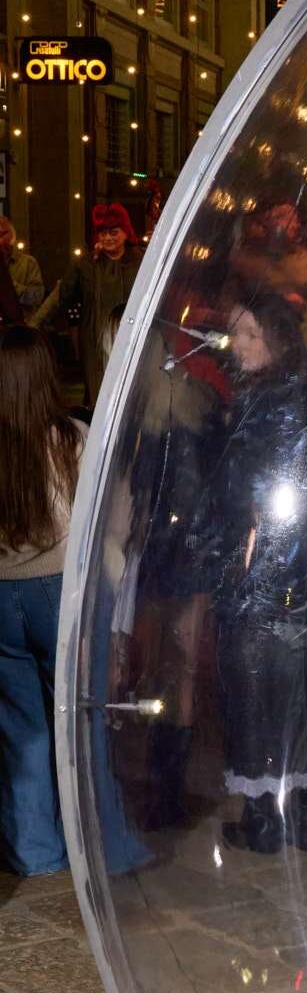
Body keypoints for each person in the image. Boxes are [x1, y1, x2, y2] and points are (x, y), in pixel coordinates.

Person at [214, 292, 307, 853]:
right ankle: (295, 814)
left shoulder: (276, 403)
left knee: (263, 692)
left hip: (269, 569)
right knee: (286, 692)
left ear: (277, 341)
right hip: (282, 565)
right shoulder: (286, 397)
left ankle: (272, 817)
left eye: (249, 336)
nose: (237, 346)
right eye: (235, 334)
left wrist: (253, 561)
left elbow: (270, 491)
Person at [0, 325, 87, 875]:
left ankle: (34, 849)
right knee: (71, 722)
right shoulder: (72, 439)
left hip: (1, 596)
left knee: (20, 729)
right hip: (60, 593)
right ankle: (87, 845)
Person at [32, 203, 142, 408]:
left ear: (126, 233)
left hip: (134, 340)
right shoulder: (86, 264)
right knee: (100, 399)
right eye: (103, 233)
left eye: (113, 232)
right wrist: (33, 325)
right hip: (95, 344)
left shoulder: (141, 260)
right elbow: (59, 296)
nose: (107, 238)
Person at [228, 201, 307, 366]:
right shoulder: (245, 258)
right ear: (266, 222)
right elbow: (227, 299)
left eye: (296, 220)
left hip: (292, 339)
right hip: (250, 339)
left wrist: (303, 304)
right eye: (283, 218)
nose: (293, 225)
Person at [0, 218, 44, 313]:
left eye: (2, 234)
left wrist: (9, 285)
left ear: (13, 235)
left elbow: (37, 297)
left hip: (19, 325)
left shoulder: (28, 263)